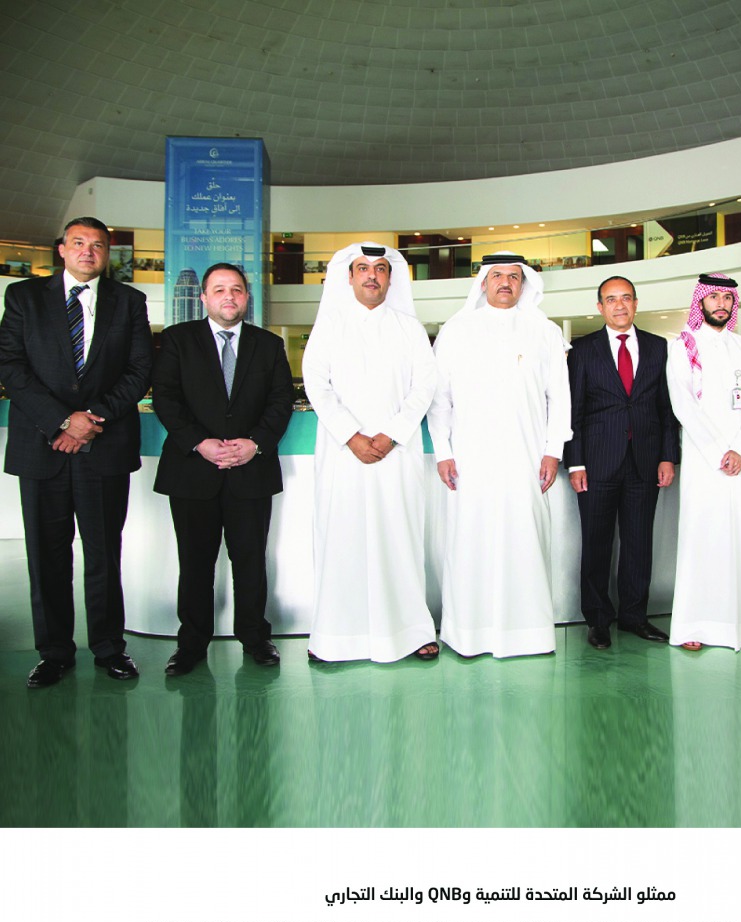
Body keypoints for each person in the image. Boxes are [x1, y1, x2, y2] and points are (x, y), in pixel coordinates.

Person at [0, 217, 152, 687]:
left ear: (108, 255)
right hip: (42, 445)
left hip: (102, 447)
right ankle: (54, 652)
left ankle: (109, 649)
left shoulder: (129, 302)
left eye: (99, 245)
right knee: (47, 555)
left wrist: (91, 421)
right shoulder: (24, 298)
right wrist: (63, 421)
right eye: (79, 243)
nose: (89, 251)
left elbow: (138, 369)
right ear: (62, 249)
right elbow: (10, 364)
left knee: (104, 553)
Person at [427, 252, 571, 658]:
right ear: (483, 283)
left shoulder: (543, 331)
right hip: (470, 459)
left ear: (524, 284)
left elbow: (559, 398)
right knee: (471, 541)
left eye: (513, 276)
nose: (505, 283)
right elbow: (441, 400)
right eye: (496, 276)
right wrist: (443, 451)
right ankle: (469, 634)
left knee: (523, 541)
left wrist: (552, 451)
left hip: (525, 458)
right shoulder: (457, 330)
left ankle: (527, 635)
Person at [152, 263, 294, 675]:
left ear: (247, 298)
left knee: (250, 560)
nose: (228, 297)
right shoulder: (178, 340)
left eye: (236, 290)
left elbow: (280, 401)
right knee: (194, 562)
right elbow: (165, 397)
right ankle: (192, 643)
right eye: (219, 290)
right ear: (204, 298)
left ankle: (255, 637)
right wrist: (199, 442)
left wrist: (256, 443)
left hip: (251, 470)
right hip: (193, 471)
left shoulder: (268, 345)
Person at [302, 243, 438, 663]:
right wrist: (353, 437)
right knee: (343, 539)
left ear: (390, 278)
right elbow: (316, 385)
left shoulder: (408, 327)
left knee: (399, 540)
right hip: (345, 454)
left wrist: (392, 434)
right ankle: (335, 639)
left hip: (396, 454)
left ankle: (411, 632)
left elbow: (424, 386)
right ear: (349, 276)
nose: (372, 276)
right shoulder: (329, 326)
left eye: (380, 269)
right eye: (363, 268)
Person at [566, 276, 679, 649]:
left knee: (638, 544)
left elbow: (666, 410)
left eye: (626, 298)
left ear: (635, 303)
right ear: (600, 307)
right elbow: (574, 413)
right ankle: (598, 620)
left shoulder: (659, 347)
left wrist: (667, 456)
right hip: (596, 464)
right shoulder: (583, 350)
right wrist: (576, 463)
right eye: (611, 299)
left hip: (645, 463)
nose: (619, 305)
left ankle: (634, 616)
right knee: (596, 544)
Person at [666, 273, 741, 651]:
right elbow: (683, 405)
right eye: (714, 298)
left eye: (728, 298)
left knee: (740, 538)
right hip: (702, 460)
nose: (722, 304)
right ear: (701, 302)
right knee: (702, 538)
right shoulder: (684, 346)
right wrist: (716, 451)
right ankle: (696, 627)